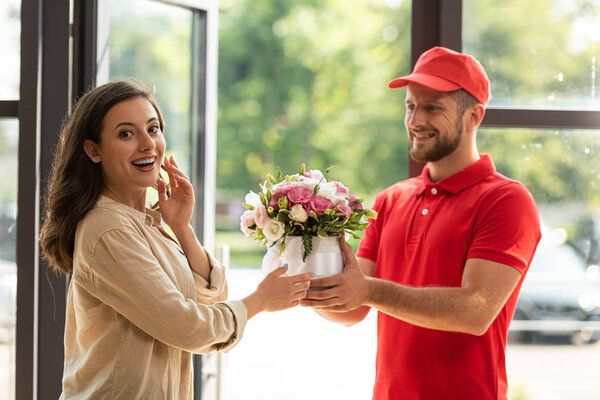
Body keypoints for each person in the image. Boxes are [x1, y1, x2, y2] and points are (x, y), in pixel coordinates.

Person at [39, 79, 312, 399]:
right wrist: (260, 300)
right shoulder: (108, 228)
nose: (147, 144)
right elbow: (187, 326)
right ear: (93, 150)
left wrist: (181, 227)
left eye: (153, 129)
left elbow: (209, 300)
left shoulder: (147, 224)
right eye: (126, 133)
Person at [301, 47, 541, 399]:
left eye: (432, 108)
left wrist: (370, 290)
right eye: (411, 107)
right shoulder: (390, 199)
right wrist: (309, 284)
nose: (415, 121)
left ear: (473, 116)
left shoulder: (506, 201)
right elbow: (354, 308)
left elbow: (475, 312)